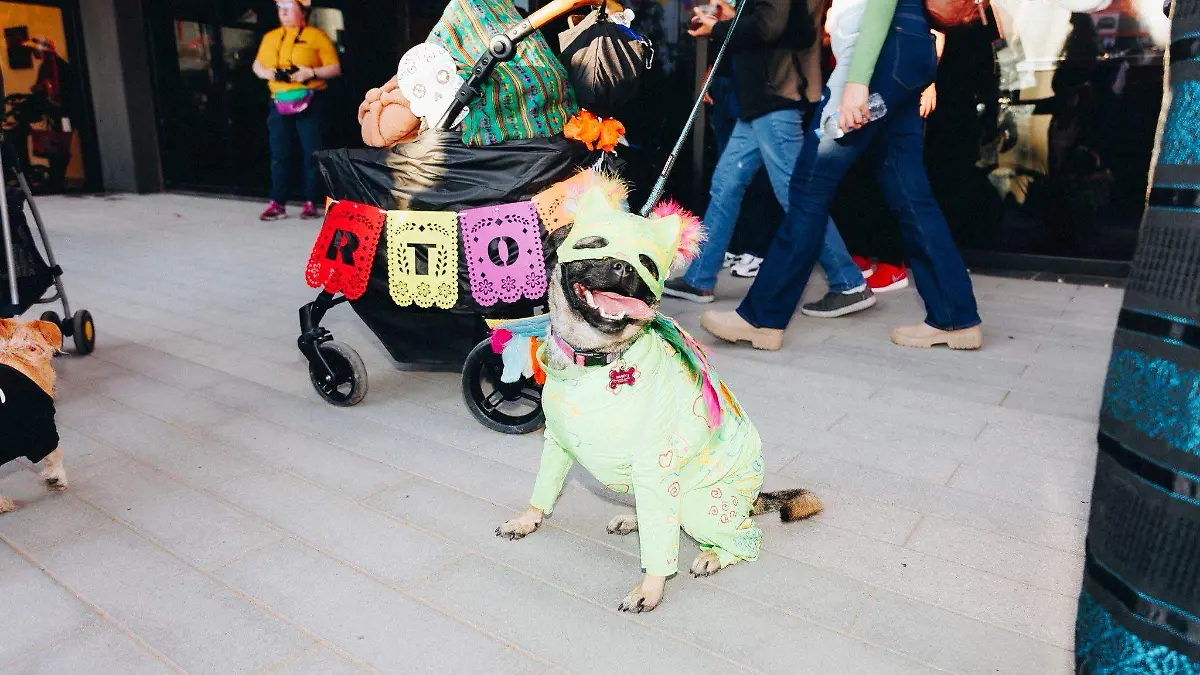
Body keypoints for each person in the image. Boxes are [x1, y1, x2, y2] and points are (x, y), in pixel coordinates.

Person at [699, 0, 981, 350]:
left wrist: (858, 81)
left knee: (809, 188)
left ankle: (761, 318)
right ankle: (955, 317)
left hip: (876, 57)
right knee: (910, 191)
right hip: (904, 50)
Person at [664, 0, 876, 320]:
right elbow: (777, 23)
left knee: (795, 195)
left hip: (774, 95)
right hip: (765, 96)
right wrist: (731, 19)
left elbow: (768, 27)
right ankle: (699, 279)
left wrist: (718, 28)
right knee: (726, 183)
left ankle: (848, 282)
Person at [252, 0, 341, 221]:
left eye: (288, 6)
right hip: (279, 101)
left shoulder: (316, 36)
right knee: (279, 154)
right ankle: (278, 203)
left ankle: (311, 201)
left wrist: (310, 72)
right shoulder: (270, 37)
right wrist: (266, 73)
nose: (282, 11)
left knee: (311, 153)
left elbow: (335, 68)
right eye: (279, 7)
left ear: (303, 12)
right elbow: (257, 64)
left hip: (309, 100)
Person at [25, 38, 78, 192]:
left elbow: (60, 90)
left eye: (35, 50)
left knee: (61, 143)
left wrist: (40, 90)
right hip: (56, 114)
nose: (34, 54)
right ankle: (56, 178)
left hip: (64, 114)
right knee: (54, 144)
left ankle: (58, 178)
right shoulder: (48, 66)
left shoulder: (57, 67)